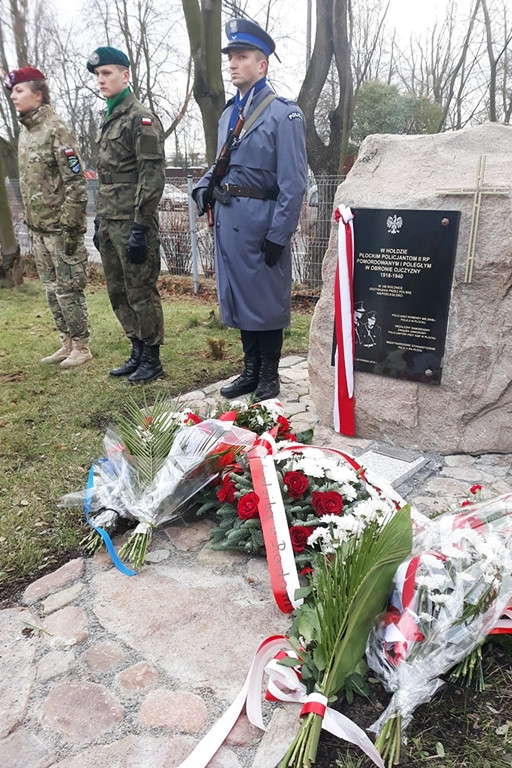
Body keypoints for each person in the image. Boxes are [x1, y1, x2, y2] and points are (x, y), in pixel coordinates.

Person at [193, 18, 307, 401]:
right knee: (241, 297)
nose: (233, 64)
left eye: (242, 56)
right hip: (229, 221)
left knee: (265, 302)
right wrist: (201, 187)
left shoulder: (284, 115)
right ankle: (250, 370)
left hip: (261, 224)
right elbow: (220, 163)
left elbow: (294, 182)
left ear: (263, 65)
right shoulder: (228, 113)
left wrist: (280, 233)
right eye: (230, 57)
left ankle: (269, 376)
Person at [87, 46, 165, 383]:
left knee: (141, 290)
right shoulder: (108, 117)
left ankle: (152, 357)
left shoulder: (140, 119)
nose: (100, 80)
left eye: (106, 73)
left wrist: (140, 227)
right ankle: (136, 348)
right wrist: (98, 220)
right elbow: (107, 176)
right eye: (97, 75)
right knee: (118, 290)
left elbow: (151, 177)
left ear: (125, 75)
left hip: (134, 222)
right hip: (110, 221)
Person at [5, 67, 92, 367]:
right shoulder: (26, 133)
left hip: (60, 228)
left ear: (38, 94)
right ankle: (65, 342)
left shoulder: (57, 130)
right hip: (38, 229)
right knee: (51, 289)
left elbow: (76, 182)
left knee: (69, 289)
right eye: (12, 91)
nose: (13, 96)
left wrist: (70, 226)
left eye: (19, 91)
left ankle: (82, 346)